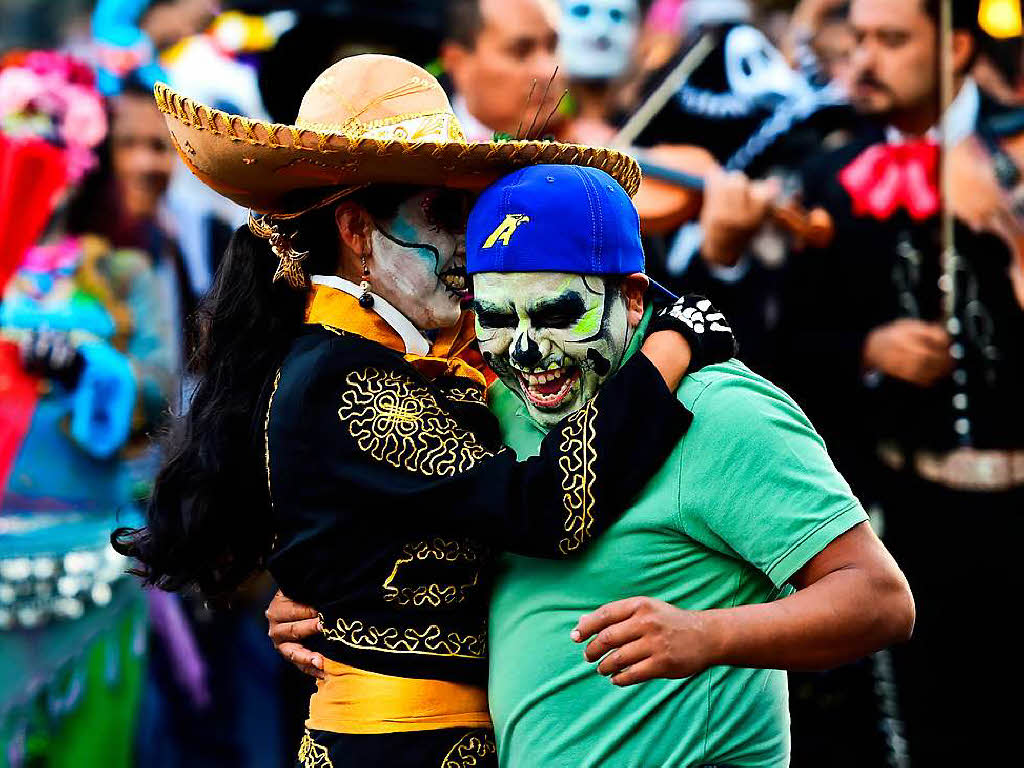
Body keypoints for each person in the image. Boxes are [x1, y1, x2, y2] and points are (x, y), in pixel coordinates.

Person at [111, 54, 724, 766]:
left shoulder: (387, 353)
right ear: (356, 229)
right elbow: (546, 510)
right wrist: (678, 345)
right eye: (443, 212)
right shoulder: (343, 377)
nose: (474, 240)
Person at [269, 163, 915, 767]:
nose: (526, 350)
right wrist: (324, 580)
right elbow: (433, 507)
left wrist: (706, 635)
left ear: (633, 299)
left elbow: (880, 600)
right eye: (497, 319)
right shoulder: (499, 406)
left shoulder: (722, 411)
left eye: (556, 314)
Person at [702, 0, 1024, 761]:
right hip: (908, 506)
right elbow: (780, 347)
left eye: (893, 40)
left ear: (957, 46)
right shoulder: (829, 173)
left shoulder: (1011, 151)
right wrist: (866, 349)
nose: (865, 61)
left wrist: (1003, 217)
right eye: (861, 40)